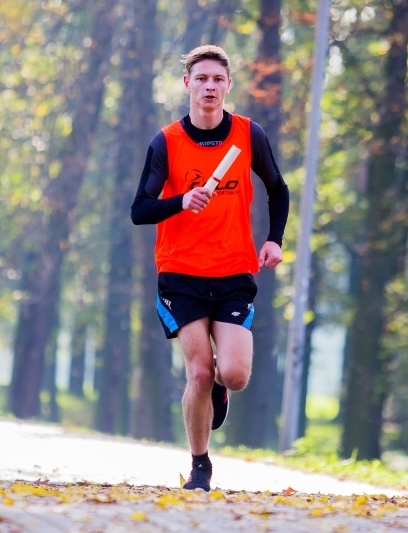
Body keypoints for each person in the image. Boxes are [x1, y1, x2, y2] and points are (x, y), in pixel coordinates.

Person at [130, 45, 290, 492]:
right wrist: (181, 200)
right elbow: (140, 210)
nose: (209, 87)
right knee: (199, 370)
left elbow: (279, 189)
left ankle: (219, 391)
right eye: (200, 78)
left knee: (233, 375)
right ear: (187, 84)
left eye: (217, 79)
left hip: (234, 271)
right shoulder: (167, 142)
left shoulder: (247, 135)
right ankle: (200, 465)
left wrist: (274, 239)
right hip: (180, 274)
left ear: (228, 85)